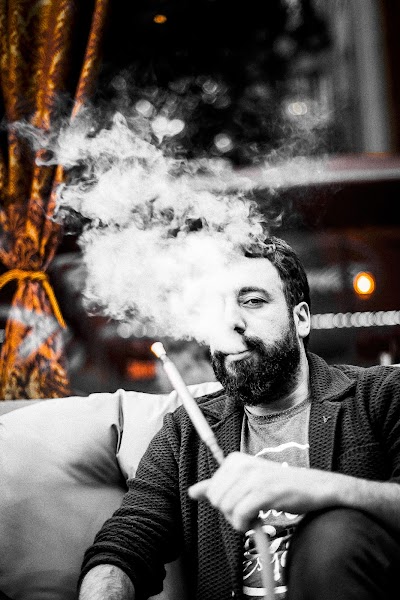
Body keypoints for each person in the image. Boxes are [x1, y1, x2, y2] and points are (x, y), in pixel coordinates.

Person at [78, 236, 400, 600]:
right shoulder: (185, 432)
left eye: (253, 301)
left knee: (333, 533)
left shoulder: (381, 395)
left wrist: (317, 488)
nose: (230, 322)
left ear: (301, 319)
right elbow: (124, 546)